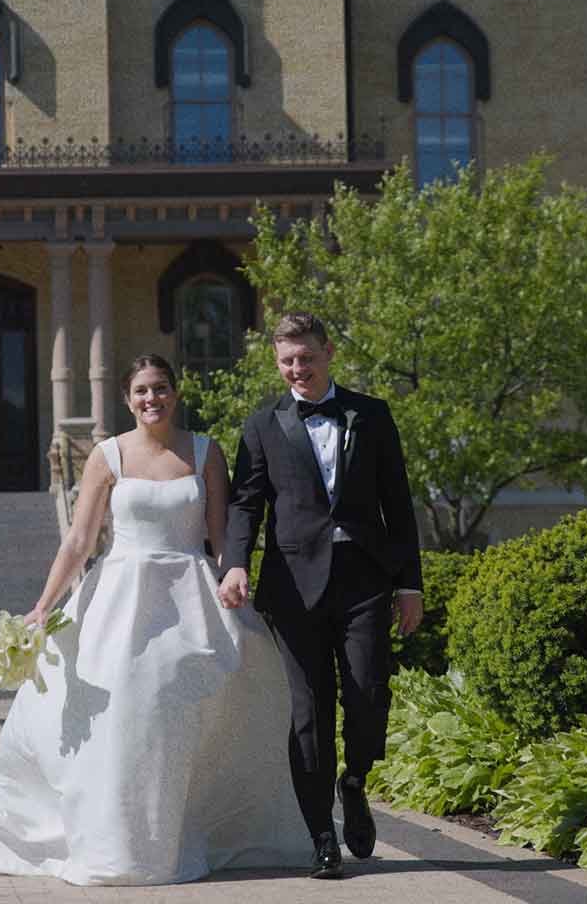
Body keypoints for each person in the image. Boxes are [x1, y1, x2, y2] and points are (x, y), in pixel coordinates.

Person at [0, 355, 311, 885]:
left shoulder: (205, 451)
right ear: (127, 399)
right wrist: (44, 605)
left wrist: (233, 581)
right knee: (126, 716)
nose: (151, 399)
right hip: (123, 601)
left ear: (175, 392)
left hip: (191, 596)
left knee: (179, 712)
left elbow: (220, 535)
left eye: (160, 388)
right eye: (141, 391)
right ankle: (122, 841)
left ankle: (177, 833)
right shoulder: (107, 455)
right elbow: (79, 540)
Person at [221, 312, 424, 879]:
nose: (297, 369)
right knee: (309, 712)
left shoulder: (372, 415)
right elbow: (245, 503)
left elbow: (398, 503)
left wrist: (409, 584)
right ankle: (321, 837)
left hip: (364, 578)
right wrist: (235, 563)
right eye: (287, 361)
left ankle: (354, 780)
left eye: (306, 358)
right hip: (292, 587)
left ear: (328, 352)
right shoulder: (262, 424)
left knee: (368, 693)